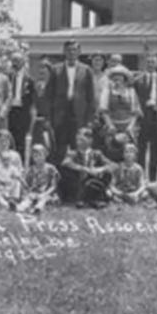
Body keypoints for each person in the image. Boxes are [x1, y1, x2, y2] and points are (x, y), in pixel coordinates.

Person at [48, 42, 98, 173]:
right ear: (64, 51)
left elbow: (91, 97)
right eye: (69, 50)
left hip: (79, 115)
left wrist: (90, 120)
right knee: (59, 148)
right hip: (60, 116)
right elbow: (49, 95)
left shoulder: (86, 70)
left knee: (78, 148)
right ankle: (59, 178)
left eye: (74, 50)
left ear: (79, 52)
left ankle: (77, 179)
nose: (71, 52)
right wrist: (49, 118)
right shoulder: (55, 69)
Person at [60, 127, 113, 208]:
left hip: (92, 182)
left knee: (106, 174)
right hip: (78, 184)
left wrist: (99, 169)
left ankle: (91, 199)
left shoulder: (97, 153)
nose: (78, 142)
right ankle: (89, 200)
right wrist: (86, 169)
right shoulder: (73, 153)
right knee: (66, 172)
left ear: (90, 140)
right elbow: (65, 163)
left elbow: (113, 165)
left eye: (81, 140)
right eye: (77, 140)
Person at [0, 128, 25, 209]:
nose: (3, 143)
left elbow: (20, 171)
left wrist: (14, 177)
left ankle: (12, 199)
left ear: (10, 142)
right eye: (1, 141)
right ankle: (2, 201)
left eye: (6, 141)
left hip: (10, 182)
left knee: (17, 182)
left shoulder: (15, 155)